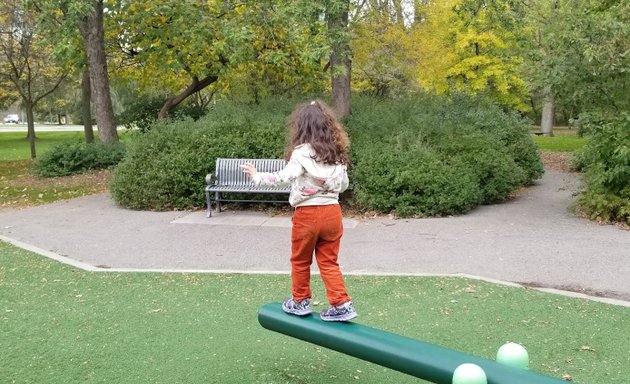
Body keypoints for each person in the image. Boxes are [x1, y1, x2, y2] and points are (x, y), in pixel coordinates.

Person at [240, 100, 357, 322]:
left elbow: (283, 178)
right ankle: (341, 303)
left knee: (301, 260)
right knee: (329, 261)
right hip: (333, 212)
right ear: (329, 126)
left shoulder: (302, 153)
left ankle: (300, 300)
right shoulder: (337, 153)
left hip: (308, 215)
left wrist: (256, 176)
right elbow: (343, 185)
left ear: (302, 127)